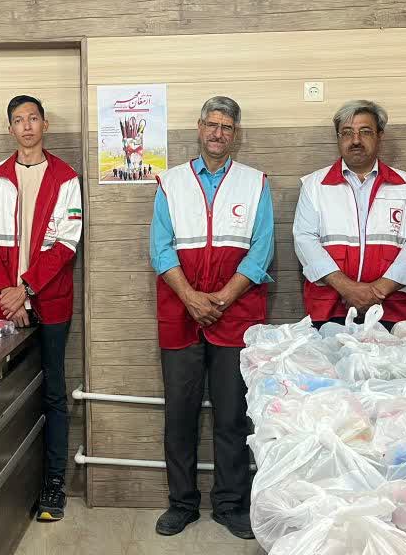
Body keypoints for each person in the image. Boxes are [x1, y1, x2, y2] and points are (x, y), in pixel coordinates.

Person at [149, 96, 273, 541]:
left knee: (233, 416)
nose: (218, 133)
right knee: (179, 416)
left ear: (235, 134)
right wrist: (190, 298)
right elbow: (160, 248)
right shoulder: (171, 182)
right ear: (199, 128)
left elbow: (261, 250)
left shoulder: (255, 183)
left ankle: (230, 504)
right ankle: (181, 504)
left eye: (227, 127)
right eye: (212, 124)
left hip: (235, 315)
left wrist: (220, 298)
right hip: (180, 314)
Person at [0, 95, 82, 523]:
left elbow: (66, 246)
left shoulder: (66, 177)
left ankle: (53, 484)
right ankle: (6, 492)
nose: (26, 126)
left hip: (50, 302)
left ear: (44, 124)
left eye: (33, 118)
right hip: (4, 305)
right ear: (10, 129)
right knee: (3, 394)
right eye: (18, 120)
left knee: (53, 392)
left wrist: (26, 289)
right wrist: (8, 294)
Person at [293, 100, 406, 328]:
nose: (355, 140)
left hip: (390, 308)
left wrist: (376, 292)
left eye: (365, 131)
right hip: (329, 308)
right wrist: (348, 288)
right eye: (347, 132)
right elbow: (305, 240)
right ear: (338, 137)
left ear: (380, 136)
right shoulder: (314, 185)